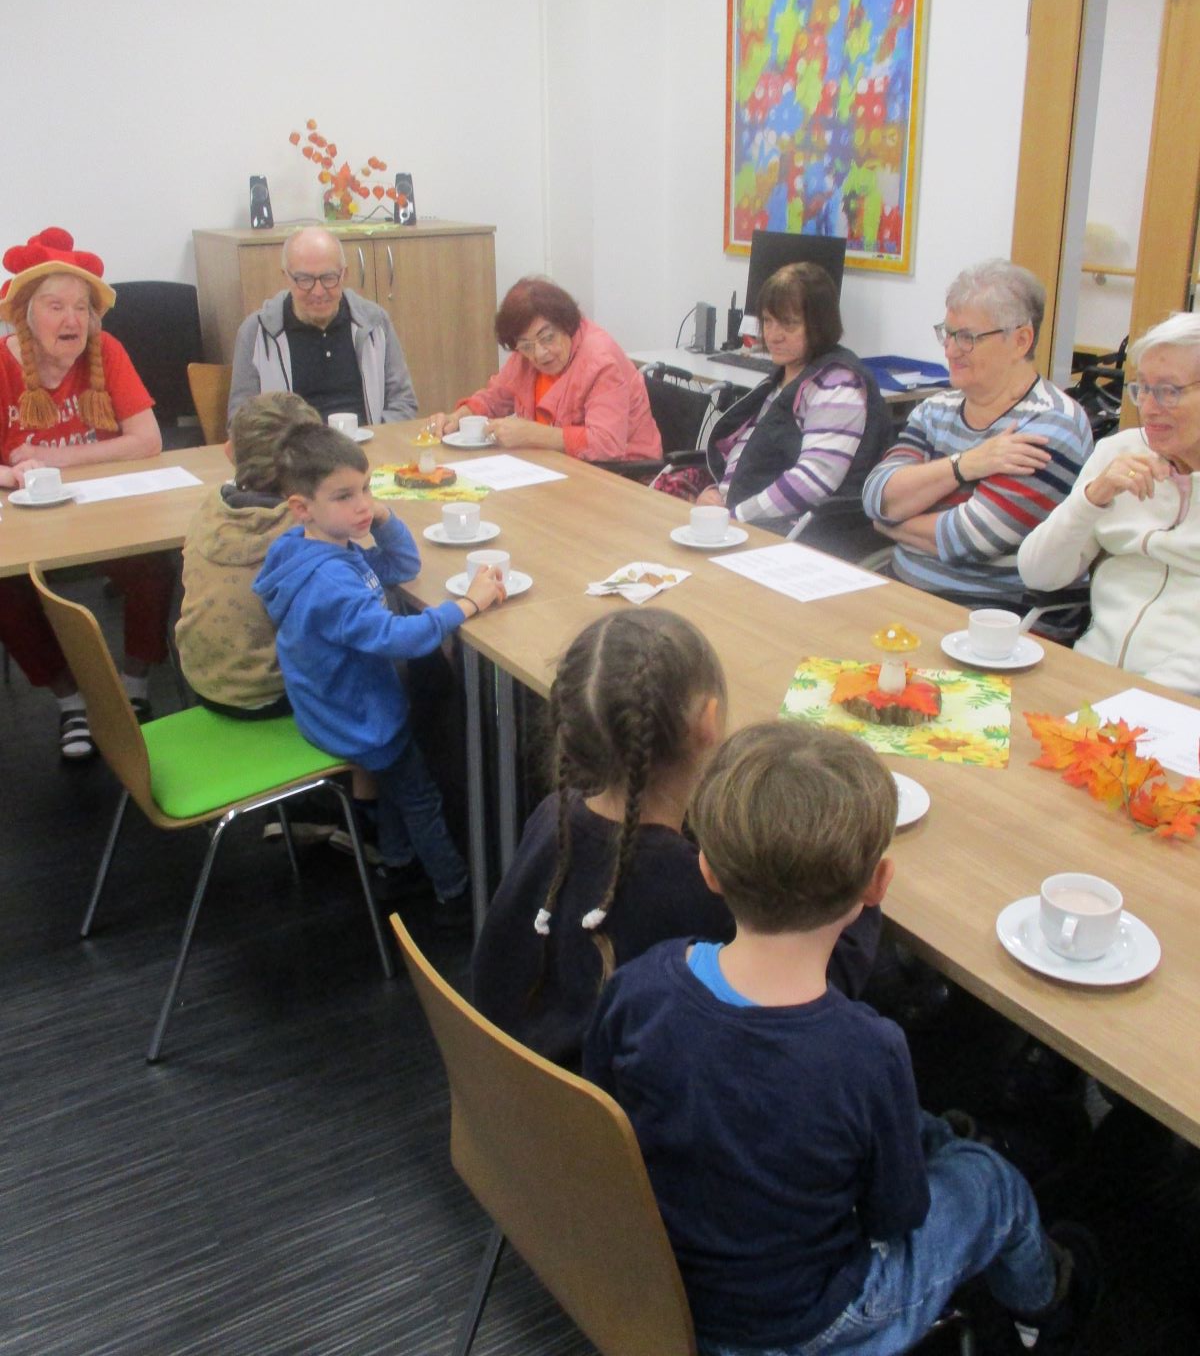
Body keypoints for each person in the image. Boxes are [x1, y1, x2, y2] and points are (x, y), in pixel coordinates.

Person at [583, 720, 1099, 1356]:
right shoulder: (867, 1049)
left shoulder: (641, 985)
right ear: (877, 886)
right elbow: (895, 1218)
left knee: (914, 1125)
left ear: (708, 870)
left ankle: (944, 1139)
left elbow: (603, 1114)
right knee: (993, 1183)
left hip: (659, 1281)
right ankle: (1046, 1307)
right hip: (804, 1321)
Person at [471, 611, 881, 1069]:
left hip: (517, 1095)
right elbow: (810, 988)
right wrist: (858, 866)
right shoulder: (690, 883)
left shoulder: (553, 816)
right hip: (632, 1120)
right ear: (710, 720)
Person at [253, 423, 505, 926]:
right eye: (345, 496)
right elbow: (401, 637)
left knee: (395, 785)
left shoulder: (310, 545)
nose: (362, 504)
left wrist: (381, 515)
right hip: (357, 718)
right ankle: (455, 893)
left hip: (331, 703)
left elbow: (400, 564)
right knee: (420, 797)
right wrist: (468, 605)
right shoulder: (330, 579)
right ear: (302, 507)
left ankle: (397, 862)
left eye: (365, 489)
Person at [0, 226, 171, 758]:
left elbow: (147, 440)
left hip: (100, 511)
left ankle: (134, 689)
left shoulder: (108, 350)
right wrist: (11, 473)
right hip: (23, 518)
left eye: (81, 307)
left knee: (154, 563)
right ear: (25, 311)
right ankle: (70, 701)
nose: (71, 320)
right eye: (55, 306)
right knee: (4, 592)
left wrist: (56, 458)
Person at [862, 260, 1092, 609]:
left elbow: (968, 538)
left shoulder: (1051, 425)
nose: (950, 350)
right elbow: (877, 495)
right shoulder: (935, 408)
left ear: (1020, 340)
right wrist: (964, 465)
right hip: (903, 595)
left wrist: (890, 524)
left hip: (993, 619)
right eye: (948, 333)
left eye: (968, 338)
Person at [1018, 310, 1200, 692]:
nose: (1148, 407)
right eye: (1142, 389)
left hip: (1179, 699)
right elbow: (1037, 573)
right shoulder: (1119, 453)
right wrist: (1092, 498)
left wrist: (1143, 698)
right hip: (1089, 675)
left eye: (1169, 390)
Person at [657, 262, 892, 553]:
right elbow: (747, 453)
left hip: (790, 533)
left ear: (820, 324)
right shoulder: (786, 375)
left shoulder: (837, 384)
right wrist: (715, 491)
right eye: (768, 321)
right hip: (744, 518)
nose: (774, 335)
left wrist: (733, 515)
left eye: (789, 324)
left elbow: (812, 480)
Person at [176, 392, 320, 717]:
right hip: (274, 694)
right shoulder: (305, 528)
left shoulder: (210, 508)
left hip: (205, 683)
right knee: (407, 666)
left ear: (230, 453)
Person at [429, 276, 662, 461]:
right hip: (560, 468)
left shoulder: (601, 361)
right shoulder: (525, 358)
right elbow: (494, 397)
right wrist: (459, 417)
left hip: (622, 478)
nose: (539, 353)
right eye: (526, 346)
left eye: (548, 338)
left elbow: (606, 444)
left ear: (567, 323)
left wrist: (530, 434)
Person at [227, 225, 418, 427]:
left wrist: (375, 440)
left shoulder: (375, 323)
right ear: (286, 277)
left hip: (367, 449)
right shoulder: (256, 333)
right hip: (293, 453)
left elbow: (403, 403)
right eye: (305, 280)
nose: (318, 291)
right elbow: (239, 422)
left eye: (329, 278)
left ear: (344, 275)